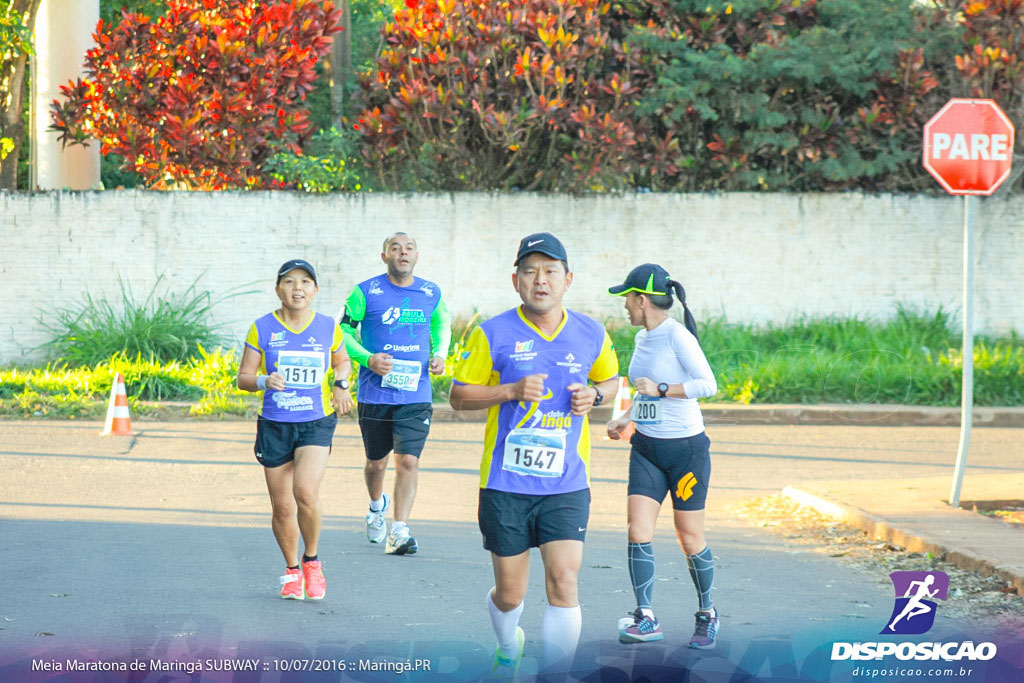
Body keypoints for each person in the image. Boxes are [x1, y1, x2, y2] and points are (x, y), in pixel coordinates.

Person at [449, 232, 620, 674]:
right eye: (530, 271)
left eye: (550, 271)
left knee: (564, 579)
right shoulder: (492, 332)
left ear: (567, 279)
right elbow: (457, 396)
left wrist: (596, 398)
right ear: (515, 280)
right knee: (511, 594)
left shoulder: (591, 333)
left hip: (566, 483)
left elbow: (611, 381)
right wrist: (509, 390)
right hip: (506, 484)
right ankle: (509, 645)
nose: (540, 280)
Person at [605, 263, 720, 649]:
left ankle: (707, 614)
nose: (624, 306)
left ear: (642, 300)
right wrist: (627, 418)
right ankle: (645, 617)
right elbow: (643, 392)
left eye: (628, 299)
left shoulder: (678, 337)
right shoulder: (643, 339)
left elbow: (708, 384)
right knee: (638, 532)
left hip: (686, 451)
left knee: (690, 537)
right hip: (647, 449)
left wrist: (663, 388)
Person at [237, 259, 354, 600]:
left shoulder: (328, 327)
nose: (297, 288)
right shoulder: (261, 327)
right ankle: (291, 571)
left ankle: (312, 561)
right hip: (275, 424)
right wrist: (263, 380)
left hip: (315, 421)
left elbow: (342, 359)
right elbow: (243, 378)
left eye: (305, 281)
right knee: (283, 507)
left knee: (305, 492)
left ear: (314, 290)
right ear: (278, 289)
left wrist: (341, 383)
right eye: (289, 282)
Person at [339, 233, 451, 555]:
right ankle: (377, 508)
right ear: (384, 255)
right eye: (395, 248)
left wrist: (440, 353)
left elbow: (442, 324)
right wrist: (367, 359)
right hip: (375, 394)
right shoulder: (365, 292)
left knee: (408, 462)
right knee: (377, 464)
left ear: (417, 255)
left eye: (409, 248)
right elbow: (342, 333)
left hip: (416, 392)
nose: (403, 252)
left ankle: (399, 531)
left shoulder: (430, 292)